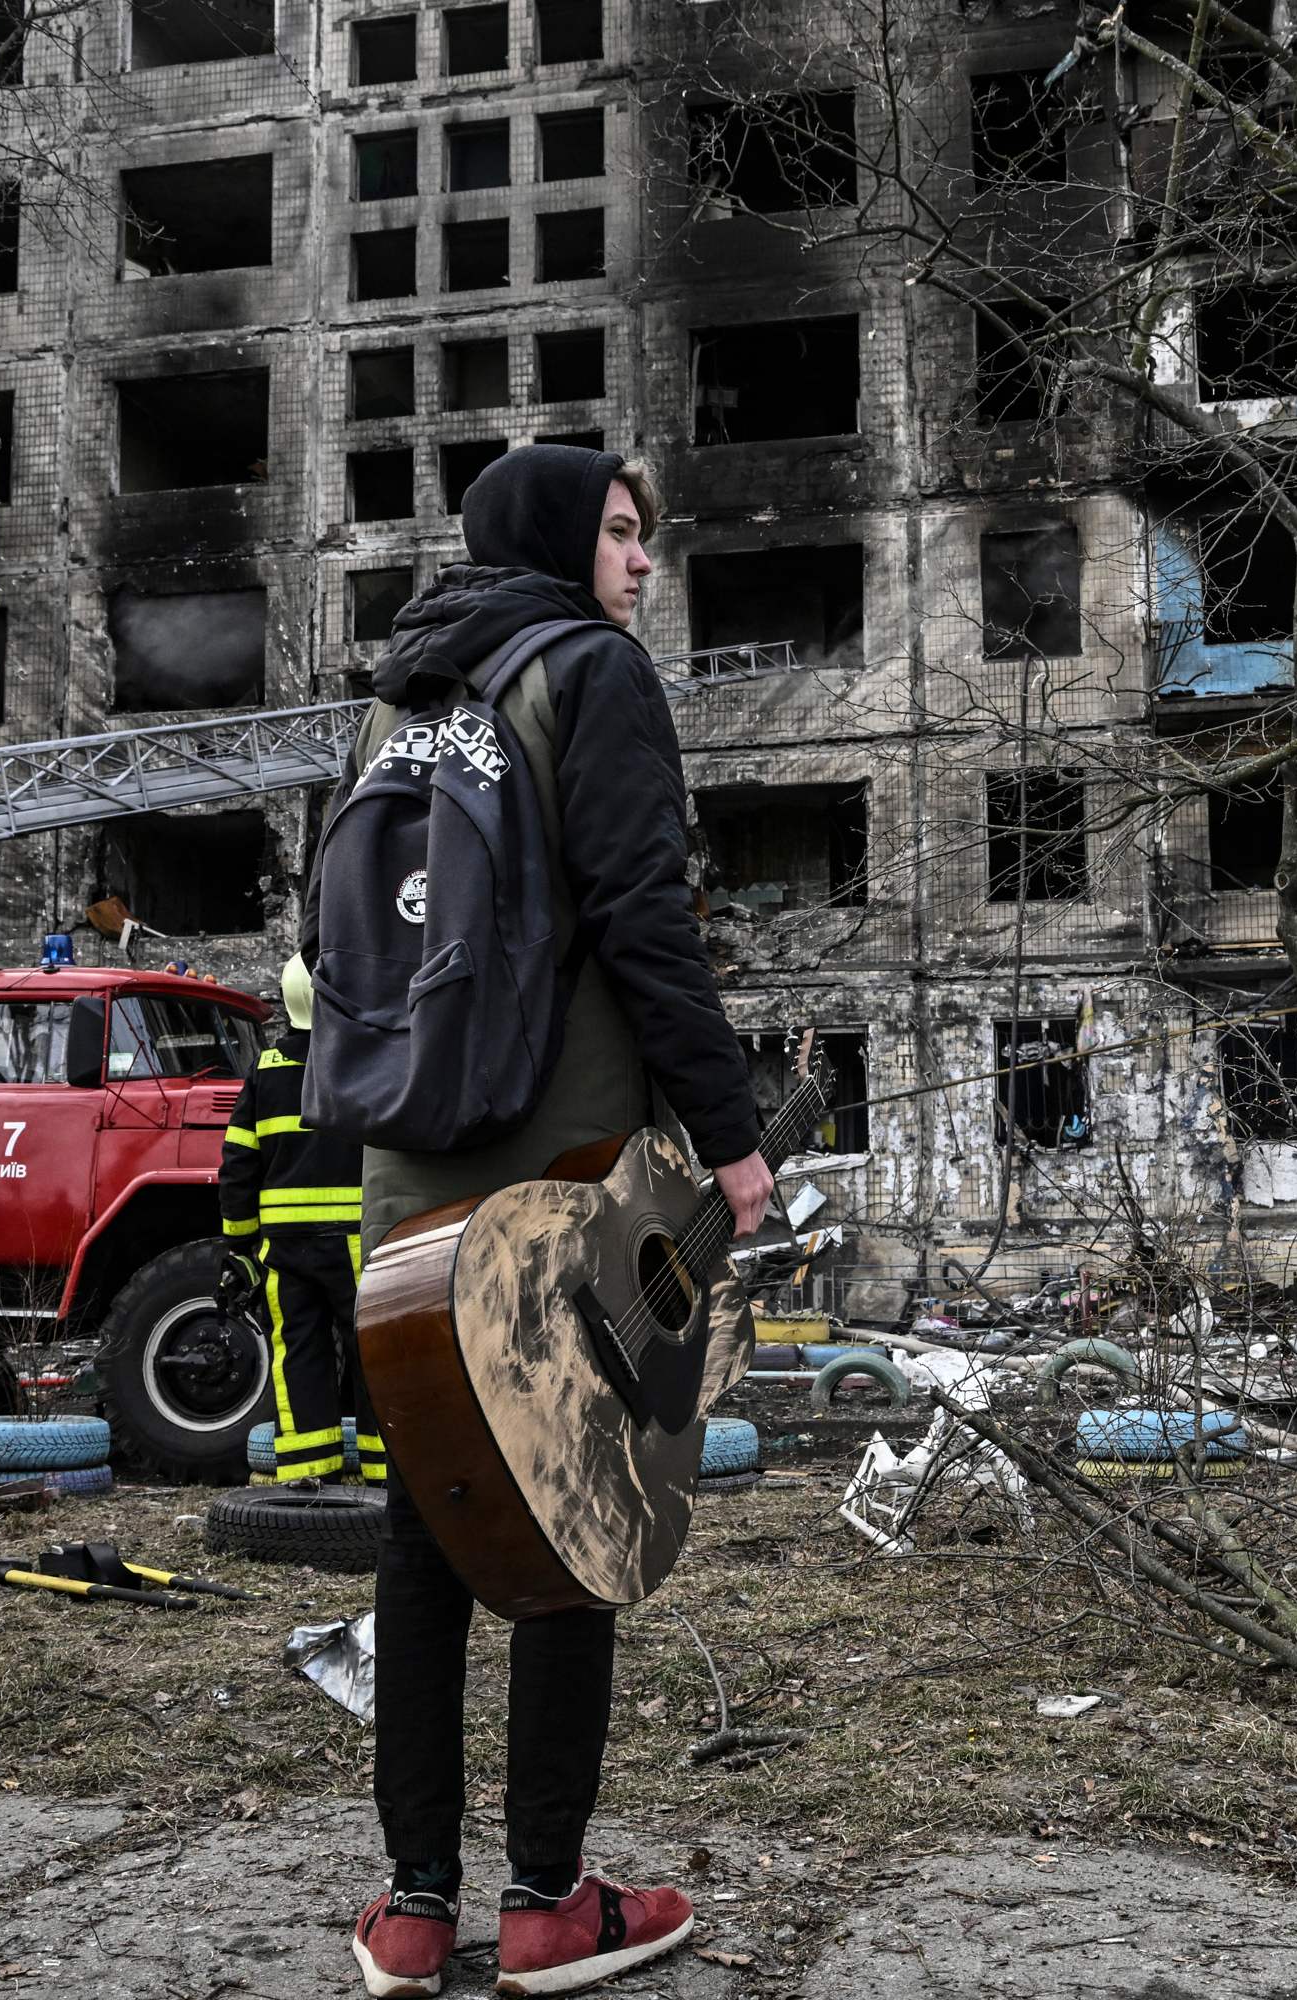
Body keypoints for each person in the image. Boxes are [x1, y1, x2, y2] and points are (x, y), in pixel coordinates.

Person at [320, 445, 773, 1999]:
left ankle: (410, 1909)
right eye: (626, 533)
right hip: (564, 1164)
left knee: (429, 1522)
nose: (643, 563)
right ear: (566, 541)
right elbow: (651, 916)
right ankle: (544, 1904)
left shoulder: (401, 699)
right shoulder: (592, 674)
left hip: (404, 1172)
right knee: (574, 1516)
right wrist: (731, 1140)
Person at [216, 953, 378, 1489]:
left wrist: (239, 1247)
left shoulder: (264, 1073)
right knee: (371, 1349)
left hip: (285, 1248)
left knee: (298, 1353)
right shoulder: (363, 1063)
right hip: (356, 1241)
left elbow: (238, 1163)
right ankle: (385, 1476)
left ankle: (308, 1479)